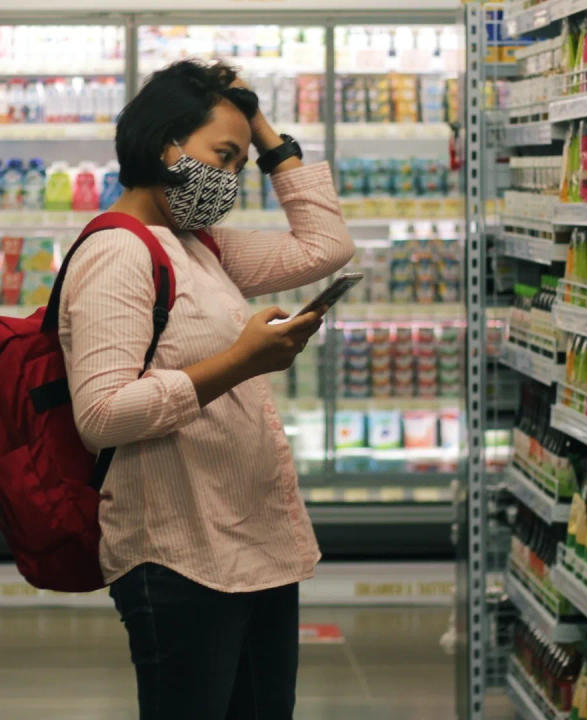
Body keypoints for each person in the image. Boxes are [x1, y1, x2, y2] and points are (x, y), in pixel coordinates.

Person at [57, 59, 354, 719]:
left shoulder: (199, 245)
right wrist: (242, 362)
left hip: (250, 547)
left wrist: (264, 132)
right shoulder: (120, 254)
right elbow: (102, 416)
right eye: (223, 155)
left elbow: (327, 246)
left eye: (240, 164)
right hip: (179, 559)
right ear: (167, 146)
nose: (229, 179)